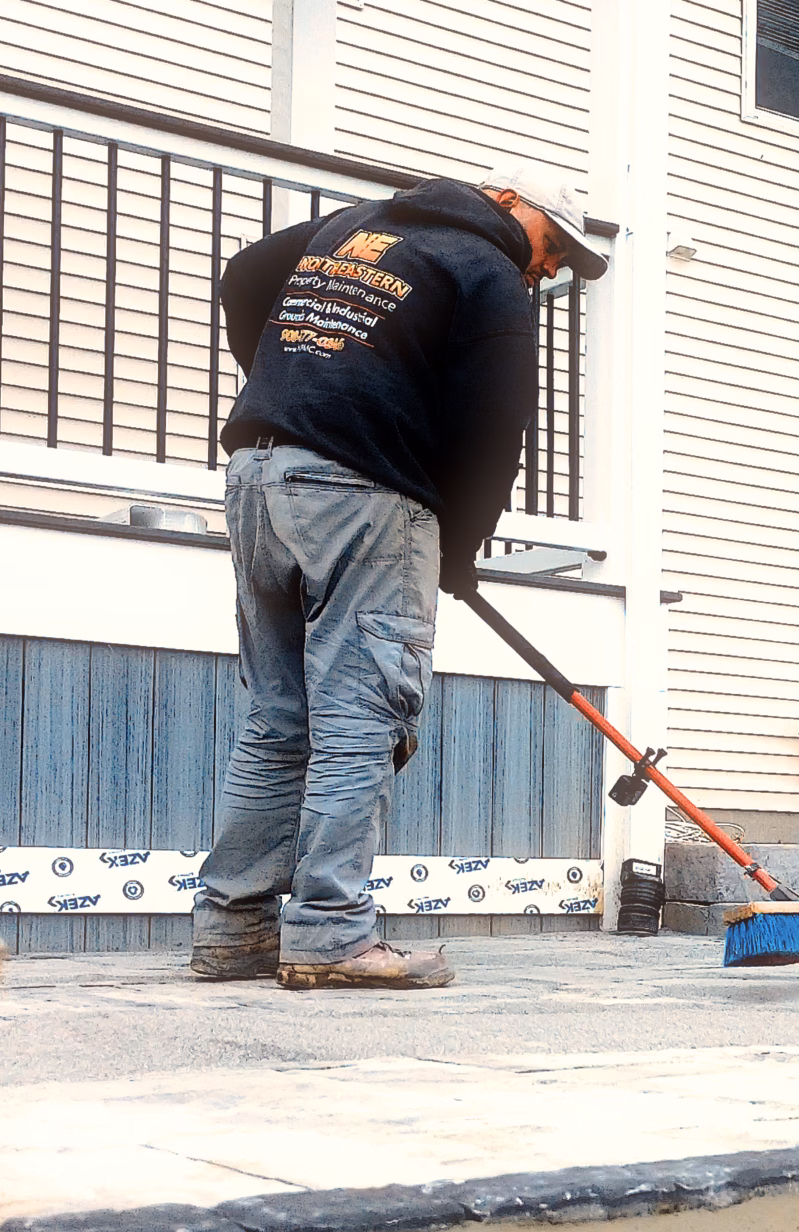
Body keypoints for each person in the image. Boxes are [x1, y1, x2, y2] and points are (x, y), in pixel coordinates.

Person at [189, 162, 607, 991]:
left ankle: (233, 929)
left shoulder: (357, 223)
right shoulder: (487, 270)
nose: (552, 267)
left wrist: (294, 389)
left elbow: (244, 275)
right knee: (360, 719)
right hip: (363, 496)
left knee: (279, 717)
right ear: (508, 206)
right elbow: (496, 431)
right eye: (553, 244)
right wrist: (462, 545)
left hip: (259, 477)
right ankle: (332, 933)